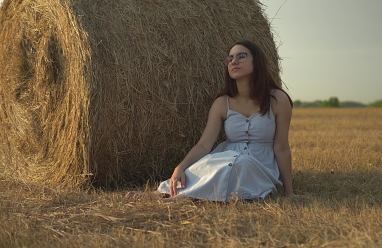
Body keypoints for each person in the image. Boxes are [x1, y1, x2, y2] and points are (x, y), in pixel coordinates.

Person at [126, 40, 302, 202]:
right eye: (230, 58)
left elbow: (281, 147)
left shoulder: (277, 99)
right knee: (212, 163)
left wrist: (289, 193)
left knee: (241, 163)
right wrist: (179, 168)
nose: (234, 61)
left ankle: (185, 199)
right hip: (227, 157)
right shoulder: (222, 103)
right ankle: (159, 193)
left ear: (257, 62)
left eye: (241, 56)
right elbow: (204, 145)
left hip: (260, 166)